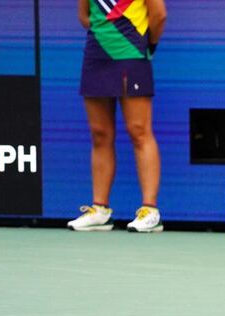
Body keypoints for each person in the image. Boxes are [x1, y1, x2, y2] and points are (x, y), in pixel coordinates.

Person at [67, 0, 167, 232]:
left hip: (131, 52)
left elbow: (159, 15)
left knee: (139, 131)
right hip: (96, 54)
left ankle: (150, 211)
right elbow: (84, 16)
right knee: (100, 133)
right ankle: (100, 210)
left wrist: (147, 44)